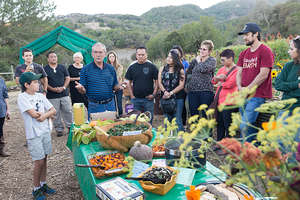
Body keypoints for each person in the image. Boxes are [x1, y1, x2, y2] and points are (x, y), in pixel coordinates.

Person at [17, 72, 56, 200]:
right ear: (26, 85)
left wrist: (44, 115)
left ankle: (43, 184)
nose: (38, 84)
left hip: (45, 131)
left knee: (45, 159)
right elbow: (33, 114)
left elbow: (53, 110)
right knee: (38, 161)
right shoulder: (22, 97)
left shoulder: (40, 95)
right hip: (34, 134)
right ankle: (36, 188)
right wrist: (47, 114)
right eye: (34, 82)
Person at [236, 23, 274, 142]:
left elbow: (263, 74)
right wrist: (239, 87)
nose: (244, 37)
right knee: (249, 128)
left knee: (245, 125)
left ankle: (248, 153)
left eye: (247, 34)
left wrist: (249, 88)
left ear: (256, 34)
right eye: (244, 35)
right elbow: (239, 73)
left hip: (257, 95)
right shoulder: (244, 53)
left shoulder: (265, 51)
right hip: (243, 95)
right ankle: (251, 154)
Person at [75, 43, 125, 118]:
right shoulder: (85, 70)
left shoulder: (111, 68)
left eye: (100, 52)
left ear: (105, 54)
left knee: (111, 128)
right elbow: (83, 90)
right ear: (92, 54)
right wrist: (81, 89)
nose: (98, 55)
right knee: (95, 129)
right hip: (94, 106)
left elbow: (115, 86)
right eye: (95, 52)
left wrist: (120, 86)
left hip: (110, 105)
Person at [275, 36, 300, 143]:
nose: (288, 51)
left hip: (297, 111)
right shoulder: (289, 66)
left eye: (291, 49)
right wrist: (296, 85)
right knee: (279, 141)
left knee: (295, 142)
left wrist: (288, 90)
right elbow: (278, 84)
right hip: (285, 109)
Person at [125, 46, 158, 124]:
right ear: (136, 55)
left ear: (146, 55)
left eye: (143, 54)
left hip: (148, 100)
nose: (141, 56)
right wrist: (132, 95)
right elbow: (128, 82)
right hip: (136, 100)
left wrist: (154, 94)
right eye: (139, 54)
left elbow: (157, 82)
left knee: (148, 121)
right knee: (136, 121)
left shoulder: (152, 67)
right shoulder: (132, 67)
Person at [44, 51, 73, 137]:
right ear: (48, 59)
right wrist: (52, 89)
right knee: (55, 113)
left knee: (68, 110)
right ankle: (59, 129)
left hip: (64, 94)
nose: (54, 58)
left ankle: (70, 127)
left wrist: (63, 87)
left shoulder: (62, 67)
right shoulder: (45, 69)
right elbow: (43, 81)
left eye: (55, 56)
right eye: (51, 57)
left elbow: (67, 78)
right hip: (52, 95)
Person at [211, 49, 238, 141]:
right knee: (220, 124)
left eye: (223, 60)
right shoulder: (222, 69)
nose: (221, 62)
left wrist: (220, 83)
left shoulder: (237, 70)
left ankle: (229, 147)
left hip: (230, 103)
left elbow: (231, 83)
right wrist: (218, 78)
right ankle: (220, 143)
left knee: (228, 126)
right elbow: (213, 81)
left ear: (230, 59)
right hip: (219, 101)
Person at [185, 40, 216, 117]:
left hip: (206, 91)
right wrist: (187, 85)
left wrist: (199, 61)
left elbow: (203, 69)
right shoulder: (194, 61)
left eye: (204, 49)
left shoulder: (212, 60)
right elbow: (188, 72)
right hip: (193, 91)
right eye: (201, 49)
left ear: (209, 51)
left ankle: (206, 129)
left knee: (205, 115)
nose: (201, 51)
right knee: (194, 115)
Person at [158, 49, 185, 131]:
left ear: (175, 59)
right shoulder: (162, 68)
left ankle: (181, 141)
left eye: (171, 57)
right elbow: (159, 82)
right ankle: (168, 140)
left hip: (177, 98)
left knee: (177, 119)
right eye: (168, 56)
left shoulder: (180, 70)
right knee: (167, 120)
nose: (168, 59)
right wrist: (165, 92)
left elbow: (181, 85)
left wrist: (171, 93)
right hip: (165, 97)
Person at [172, 45, 189, 127]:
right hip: (172, 88)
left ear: (180, 53)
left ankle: (183, 124)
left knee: (182, 108)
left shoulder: (185, 63)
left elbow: (186, 74)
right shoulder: (171, 63)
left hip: (182, 87)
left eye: (177, 52)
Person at [107, 51, 124, 116]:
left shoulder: (119, 66)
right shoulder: (105, 66)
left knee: (119, 103)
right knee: (112, 103)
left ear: (115, 57)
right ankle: (114, 116)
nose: (111, 58)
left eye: (113, 56)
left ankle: (121, 116)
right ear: (108, 58)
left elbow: (118, 77)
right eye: (110, 56)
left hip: (118, 87)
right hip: (109, 88)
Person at [0, 77, 9, 157]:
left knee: (0, 130)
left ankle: (1, 149)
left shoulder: (1, 80)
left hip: (1, 109)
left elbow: (5, 95)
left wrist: (7, 109)